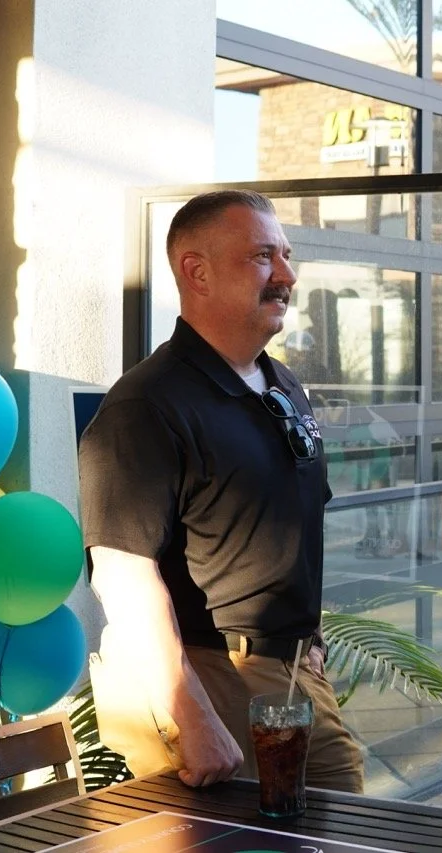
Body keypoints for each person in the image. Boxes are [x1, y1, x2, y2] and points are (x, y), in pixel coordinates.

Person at [78, 189, 364, 792]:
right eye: (263, 257)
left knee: (347, 820)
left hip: (294, 671)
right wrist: (192, 715)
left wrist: (308, 646)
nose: (286, 275)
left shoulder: (281, 384)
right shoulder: (147, 404)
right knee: (244, 836)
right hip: (211, 674)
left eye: (286, 256)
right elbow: (122, 574)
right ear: (197, 271)